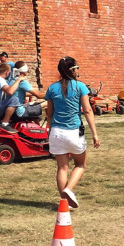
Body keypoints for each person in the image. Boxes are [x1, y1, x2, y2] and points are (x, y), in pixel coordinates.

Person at [44, 56, 99, 209]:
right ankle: (69, 190)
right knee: (80, 165)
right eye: (77, 68)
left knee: (62, 168)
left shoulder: (52, 88)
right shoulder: (80, 86)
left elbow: (49, 113)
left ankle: (64, 202)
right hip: (74, 132)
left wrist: (50, 129)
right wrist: (94, 133)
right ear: (72, 70)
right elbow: (87, 110)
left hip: (56, 132)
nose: (78, 70)